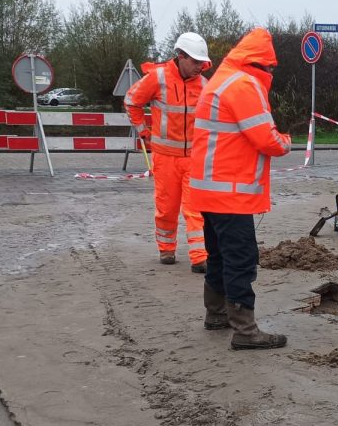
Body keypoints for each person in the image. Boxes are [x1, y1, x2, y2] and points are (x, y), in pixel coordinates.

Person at [187, 27, 293, 349]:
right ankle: (245, 331)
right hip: (230, 194)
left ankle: (215, 314)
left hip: (210, 192)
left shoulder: (220, 80)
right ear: (261, 64)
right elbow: (267, 139)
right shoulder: (243, 85)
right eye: (271, 68)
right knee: (241, 259)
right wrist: (286, 142)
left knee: (218, 256)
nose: (271, 74)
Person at [125, 32, 212, 272]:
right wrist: (143, 132)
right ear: (181, 56)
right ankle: (166, 249)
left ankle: (199, 257)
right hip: (165, 157)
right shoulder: (158, 78)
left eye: (201, 62)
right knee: (167, 207)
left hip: (194, 157)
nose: (199, 67)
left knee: (195, 208)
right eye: (195, 62)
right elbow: (132, 101)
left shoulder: (204, 86)